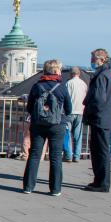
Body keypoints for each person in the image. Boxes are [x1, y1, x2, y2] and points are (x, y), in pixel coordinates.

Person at [22, 60, 73, 196]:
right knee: (55, 156)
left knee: (34, 154)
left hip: (38, 124)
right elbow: (69, 108)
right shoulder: (62, 87)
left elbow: (30, 107)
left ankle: (28, 186)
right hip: (57, 125)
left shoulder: (37, 86)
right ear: (56, 71)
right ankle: (55, 189)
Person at [83, 48, 111, 192]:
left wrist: (89, 111)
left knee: (100, 151)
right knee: (100, 150)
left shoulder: (102, 76)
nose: (91, 61)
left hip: (99, 117)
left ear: (101, 59)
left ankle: (102, 183)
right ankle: (99, 181)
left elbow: (98, 99)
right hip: (105, 117)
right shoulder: (108, 74)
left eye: (93, 59)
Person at [63, 66, 88, 162]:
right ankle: (77, 156)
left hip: (70, 111)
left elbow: (66, 97)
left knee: (67, 134)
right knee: (78, 135)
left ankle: (68, 155)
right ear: (79, 74)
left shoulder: (69, 83)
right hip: (80, 111)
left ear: (71, 73)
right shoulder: (84, 84)